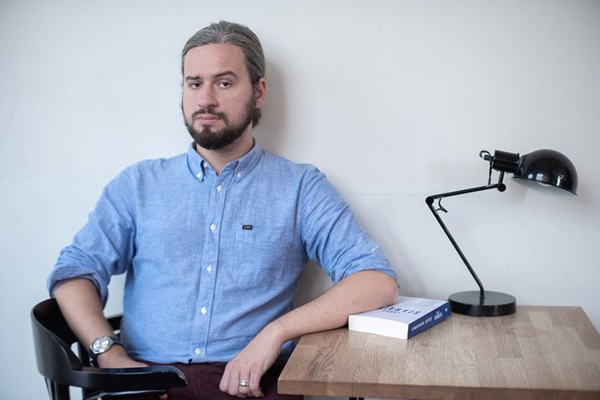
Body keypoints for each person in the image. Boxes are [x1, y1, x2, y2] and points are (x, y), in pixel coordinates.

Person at [48, 21, 398, 400]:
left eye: (225, 83)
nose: (206, 100)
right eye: (194, 83)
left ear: (258, 92)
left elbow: (375, 280)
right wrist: (109, 354)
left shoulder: (300, 188)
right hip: (145, 383)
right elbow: (75, 272)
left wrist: (275, 333)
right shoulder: (137, 184)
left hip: (253, 383)